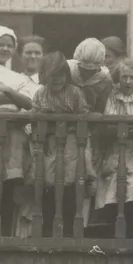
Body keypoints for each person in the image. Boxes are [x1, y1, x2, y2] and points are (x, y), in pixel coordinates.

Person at [0, 26, 40, 235]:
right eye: (0, 45)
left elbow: (30, 103)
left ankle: (4, 234)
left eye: (9, 45)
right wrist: (16, 97)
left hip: (15, 135)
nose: (5, 49)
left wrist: (8, 91)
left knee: (11, 184)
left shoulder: (17, 76)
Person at [29, 53, 93, 237]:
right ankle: (48, 229)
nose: (57, 80)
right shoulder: (41, 94)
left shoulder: (74, 93)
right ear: (43, 76)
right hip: (49, 143)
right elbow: (34, 116)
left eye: (61, 75)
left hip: (71, 144)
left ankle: (70, 230)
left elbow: (83, 116)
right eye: (51, 76)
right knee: (48, 182)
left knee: (70, 183)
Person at [93, 58, 133, 238]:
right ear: (118, 79)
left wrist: (125, 129)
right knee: (115, 182)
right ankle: (116, 230)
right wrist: (131, 128)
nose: (128, 81)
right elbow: (109, 126)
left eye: (132, 77)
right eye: (124, 77)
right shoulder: (113, 96)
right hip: (116, 148)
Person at [68, 38, 114, 113]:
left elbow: (101, 110)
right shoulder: (67, 69)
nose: (87, 73)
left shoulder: (105, 79)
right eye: (84, 69)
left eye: (92, 70)